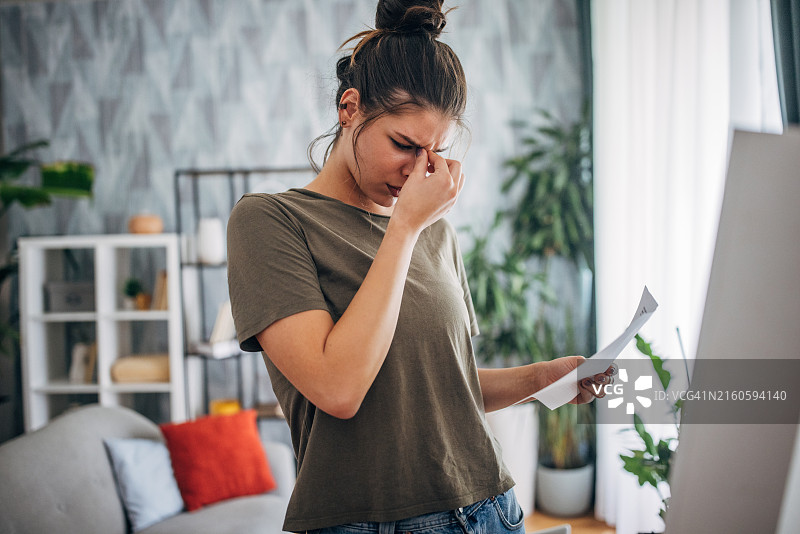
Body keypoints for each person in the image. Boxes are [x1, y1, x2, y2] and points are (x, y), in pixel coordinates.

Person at [227, 1, 614, 532]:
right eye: (404, 145)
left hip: (491, 508)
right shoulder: (271, 221)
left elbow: (439, 385)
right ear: (350, 109)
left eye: (434, 153)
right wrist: (404, 228)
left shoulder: (435, 231)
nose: (418, 173)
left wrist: (542, 377)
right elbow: (338, 389)